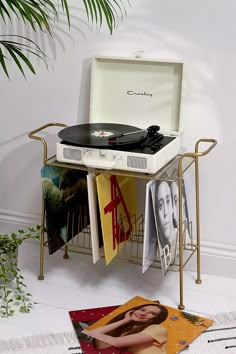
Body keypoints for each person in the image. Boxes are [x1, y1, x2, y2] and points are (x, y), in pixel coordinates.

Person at [82, 303, 168, 354]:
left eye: (152, 313)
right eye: (142, 310)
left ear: (156, 319)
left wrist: (88, 331)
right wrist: (124, 320)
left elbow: (115, 342)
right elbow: (101, 346)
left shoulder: (158, 329)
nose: (144, 313)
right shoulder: (125, 330)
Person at [153, 180, 177, 270]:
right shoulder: (161, 246)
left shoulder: (179, 239)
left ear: (173, 207)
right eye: (160, 205)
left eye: (168, 201)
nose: (166, 212)